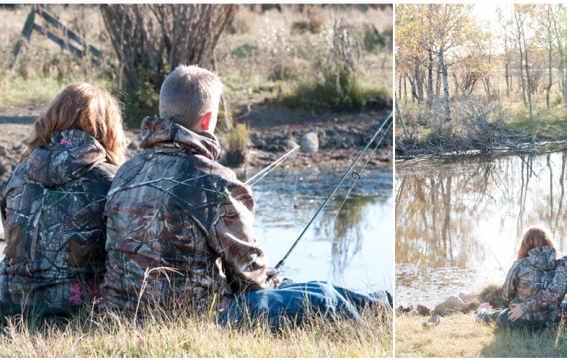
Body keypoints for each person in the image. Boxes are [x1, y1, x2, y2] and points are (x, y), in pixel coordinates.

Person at [100, 65, 391, 326]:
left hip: (122, 311)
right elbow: (249, 279)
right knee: (321, 295)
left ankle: (381, 303)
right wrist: (264, 276)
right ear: (208, 120)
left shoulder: (125, 172)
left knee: (308, 289)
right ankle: (382, 308)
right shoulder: (216, 181)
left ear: (162, 109)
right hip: (198, 316)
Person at [0, 83, 126, 324]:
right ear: (108, 129)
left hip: (7, 307)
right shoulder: (110, 179)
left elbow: (11, 236)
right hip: (72, 312)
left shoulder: (20, 172)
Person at [477, 226, 562, 330]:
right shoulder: (560, 265)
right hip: (551, 321)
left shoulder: (519, 265)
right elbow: (560, 294)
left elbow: (506, 296)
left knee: (498, 316)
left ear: (525, 244)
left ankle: (482, 313)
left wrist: (516, 304)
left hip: (521, 321)